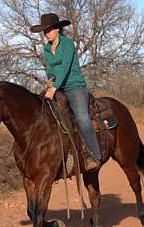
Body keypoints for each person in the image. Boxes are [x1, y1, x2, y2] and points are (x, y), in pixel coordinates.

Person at [30, 13, 102, 171]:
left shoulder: (67, 44)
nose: (46, 34)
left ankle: (94, 155)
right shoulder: (47, 49)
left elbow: (65, 67)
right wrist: (50, 81)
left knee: (82, 118)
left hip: (74, 86)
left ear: (57, 29)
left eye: (48, 30)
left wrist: (54, 87)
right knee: (43, 114)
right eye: (44, 31)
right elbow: (50, 69)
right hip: (57, 87)